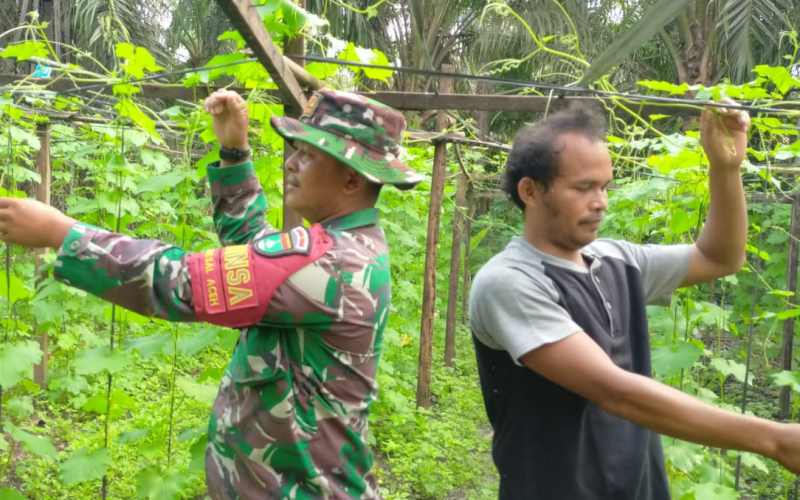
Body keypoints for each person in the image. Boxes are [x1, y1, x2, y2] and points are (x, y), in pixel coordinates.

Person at [0, 88, 422, 499]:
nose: (291, 163)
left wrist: (62, 234)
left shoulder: (332, 263)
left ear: (351, 178)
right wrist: (236, 152)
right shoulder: (350, 246)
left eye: (308, 155)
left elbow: (180, 281)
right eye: (295, 149)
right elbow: (254, 251)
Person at [468, 100, 800, 500]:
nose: (601, 202)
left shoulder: (617, 260)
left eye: (605, 186)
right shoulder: (509, 282)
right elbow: (614, 391)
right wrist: (775, 440)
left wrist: (725, 168)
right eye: (583, 187)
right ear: (531, 191)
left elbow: (720, 257)